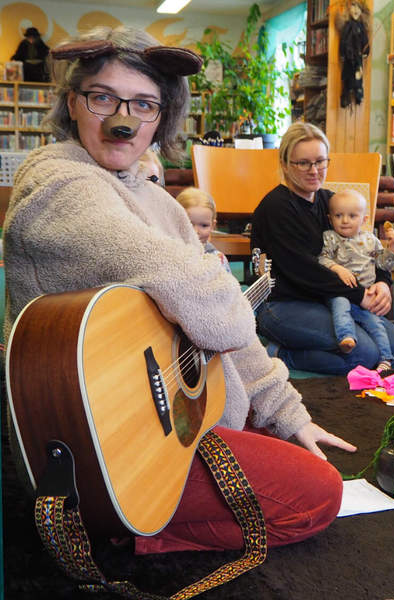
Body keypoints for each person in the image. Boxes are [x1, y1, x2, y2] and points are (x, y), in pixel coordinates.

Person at [3, 26, 355, 555]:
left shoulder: (159, 201)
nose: (122, 122)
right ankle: (130, 528)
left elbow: (223, 322)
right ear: (72, 103)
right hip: (101, 448)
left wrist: (288, 414)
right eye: (103, 98)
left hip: (165, 418)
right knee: (318, 494)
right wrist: (216, 295)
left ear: (162, 118)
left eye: (144, 105)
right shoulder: (56, 183)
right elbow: (216, 308)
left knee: (287, 447)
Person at [251, 122, 394, 375]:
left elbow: (363, 245)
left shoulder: (330, 201)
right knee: (365, 353)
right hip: (283, 305)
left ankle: (301, 346)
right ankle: (280, 354)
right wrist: (360, 295)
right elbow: (304, 271)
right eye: (303, 163)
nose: (314, 171)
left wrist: (382, 282)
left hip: (330, 300)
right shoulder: (276, 207)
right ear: (285, 164)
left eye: (320, 161)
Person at [319, 189, 394, 372]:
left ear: (364, 220)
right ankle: (346, 338)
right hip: (340, 293)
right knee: (341, 307)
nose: (345, 220)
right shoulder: (329, 237)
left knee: (376, 324)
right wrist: (337, 268)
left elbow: (383, 264)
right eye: (338, 216)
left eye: (352, 216)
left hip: (366, 295)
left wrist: (392, 247)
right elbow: (321, 259)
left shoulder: (371, 240)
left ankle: (386, 359)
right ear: (330, 219)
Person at [176, 186, 232, 273]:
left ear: (212, 226)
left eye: (204, 225)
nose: (195, 232)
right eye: (189, 224)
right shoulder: (169, 254)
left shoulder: (218, 259)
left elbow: (227, 281)